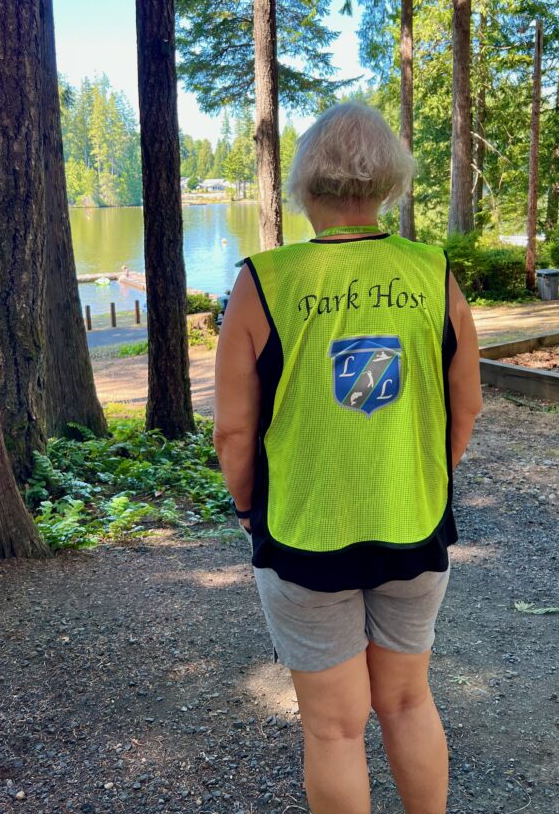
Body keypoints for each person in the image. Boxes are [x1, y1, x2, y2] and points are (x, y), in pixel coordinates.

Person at [213, 102, 482, 814]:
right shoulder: (433, 272)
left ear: (306, 186)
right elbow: (466, 407)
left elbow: (233, 433)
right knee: (408, 700)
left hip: (304, 530)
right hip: (413, 523)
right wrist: (428, 478)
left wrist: (247, 509)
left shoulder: (263, 281)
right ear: (389, 183)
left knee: (334, 729)